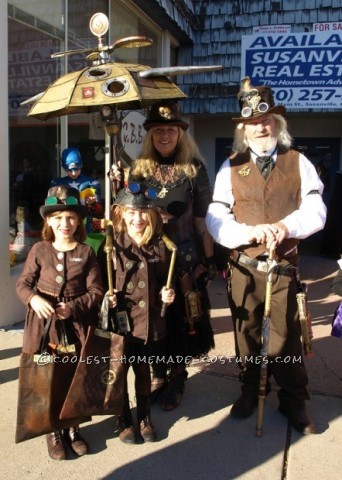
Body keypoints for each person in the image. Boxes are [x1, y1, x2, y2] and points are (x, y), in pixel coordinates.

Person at [205, 77, 327, 435]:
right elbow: (216, 214)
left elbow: (317, 209)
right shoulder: (231, 166)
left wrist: (286, 227)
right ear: (243, 129)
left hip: (285, 267)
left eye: (267, 119)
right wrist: (247, 234)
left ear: (277, 123)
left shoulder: (298, 162)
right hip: (245, 267)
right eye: (253, 122)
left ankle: (294, 400)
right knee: (247, 332)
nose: (261, 126)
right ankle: (249, 390)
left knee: (286, 335)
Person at [128, 101, 216, 411]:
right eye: (158, 130)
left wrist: (208, 261)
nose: (165, 135)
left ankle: (177, 377)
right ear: (149, 135)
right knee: (152, 317)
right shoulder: (137, 170)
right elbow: (128, 214)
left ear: (180, 134)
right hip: (149, 257)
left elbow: (203, 220)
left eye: (171, 130)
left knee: (181, 320)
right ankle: (158, 374)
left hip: (185, 258)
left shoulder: (195, 169)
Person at [16, 185, 104, 460]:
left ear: (78, 222)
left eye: (71, 218)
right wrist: (33, 299)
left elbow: (96, 291)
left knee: (73, 376)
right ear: (48, 221)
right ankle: (53, 430)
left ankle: (73, 428)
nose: (64, 223)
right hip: (43, 327)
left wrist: (74, 307)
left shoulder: (86, 252)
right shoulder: (39, 250)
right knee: (47, 378)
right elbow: (23, 283)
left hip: (75, 325)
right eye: (58, 217)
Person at [97, 185, 175, 444]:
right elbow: (96, 284)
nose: (138, 218)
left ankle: (144, 416)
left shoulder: (160, 246)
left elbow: (165, 281)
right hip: (120, 325)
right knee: (118, 373)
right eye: (132, 211)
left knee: (143, 372)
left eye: (143, 211)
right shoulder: (110, 247)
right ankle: (122, 419)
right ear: (121, 213)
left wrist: (167, 294)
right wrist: (104, 299)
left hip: (147, 323)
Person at [51, 147, 103, 232]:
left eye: (77, 169)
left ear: (81, 165)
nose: (74, 173)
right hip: (64, 225)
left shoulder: (91, 183)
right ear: (64, 167)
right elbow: (51, 211)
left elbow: (100, 213)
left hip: (85, 226)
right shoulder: (57, 184)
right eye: (69, 170)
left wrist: (93, 204)